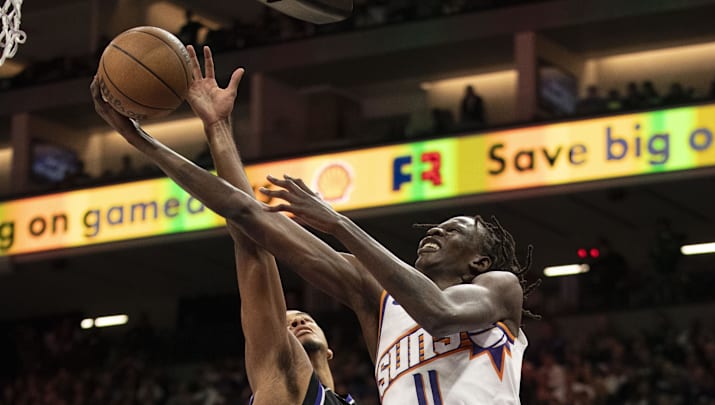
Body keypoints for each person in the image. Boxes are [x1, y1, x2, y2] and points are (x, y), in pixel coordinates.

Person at [91, 45, 539, 404]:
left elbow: (440, 316)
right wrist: (159, 139)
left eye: (453, 229)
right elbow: (248, 218)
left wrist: (339, 224)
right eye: (436, 227)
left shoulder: (499, 291)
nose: (435, 231)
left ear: (479, 260)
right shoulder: (375, 298)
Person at [94, 46, 355, 405]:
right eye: (285, 321)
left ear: (330, 353)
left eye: (301, 317)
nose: (294, 323)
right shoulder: (282, 376)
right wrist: (214, 128)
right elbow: (252, 237)